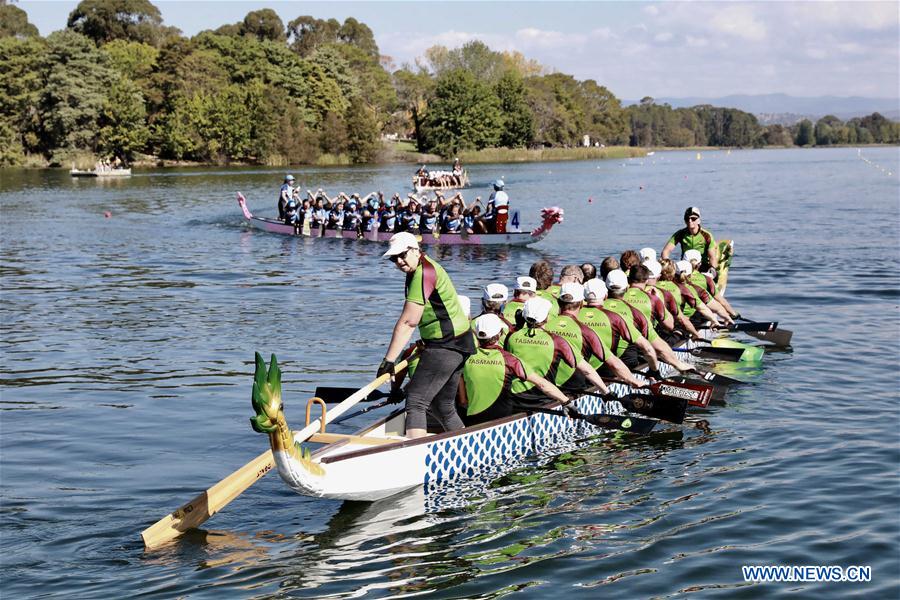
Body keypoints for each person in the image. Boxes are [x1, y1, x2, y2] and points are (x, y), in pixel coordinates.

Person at [379, 232, 475, 439]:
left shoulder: (424, 272)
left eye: (402, 255)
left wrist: (388, 361)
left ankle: (417, 456)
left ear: (415, 250)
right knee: (443, 405)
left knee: (415, 402)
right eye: (393, 258)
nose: (399, 261)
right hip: (460, 342)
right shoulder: (420, 268)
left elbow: (408, 322)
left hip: (447, 344)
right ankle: (465, 444)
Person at [459, 314, 572, 426]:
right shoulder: (510, 360)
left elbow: (463, 401)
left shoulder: (465, 358)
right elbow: (542, 384)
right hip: (504, 421)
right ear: (500, 334)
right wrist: (566, 401)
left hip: (472, 420)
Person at [545, 283, 646, 390]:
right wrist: (633, 380)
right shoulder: (586, 331)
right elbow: (613, 363)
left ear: (558, 302)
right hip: (574, 388)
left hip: (545, 388)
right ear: (581, 303)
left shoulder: (545, 325)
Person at [604, 269, 695, 373]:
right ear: (626, 287)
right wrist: (677, 364)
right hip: (627, 361)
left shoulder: (586, 309)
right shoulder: (635, 312)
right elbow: (655, 346)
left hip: (597, 365)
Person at [579, 279, 661, 377]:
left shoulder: (575, 315)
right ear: (605, 296)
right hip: (608, 369)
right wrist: (654, 370)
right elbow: (647, 348)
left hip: (581, 370)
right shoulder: (615, 317)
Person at [684, 249, 740, 318]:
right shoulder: (706, 278)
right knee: (712, 304)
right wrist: (734, 314)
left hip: (675, 316)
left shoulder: (674, 277)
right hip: (697, 316)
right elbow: (721, 301)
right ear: (700, 263)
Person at [661, 207, 718, 273]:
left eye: (693, 218)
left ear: (699, 220)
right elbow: (665, 252)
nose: (690, 221)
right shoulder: (680, 234)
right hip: (685, 266)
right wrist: (669, 268)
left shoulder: (707, 235)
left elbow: (712, 258)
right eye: (687, 219)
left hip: (702, 266)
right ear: (685, 221)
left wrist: (713, 271)